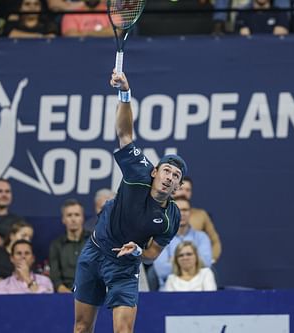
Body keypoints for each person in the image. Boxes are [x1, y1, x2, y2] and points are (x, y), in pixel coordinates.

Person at [73, 70, 187, 333]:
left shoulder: (172, 217)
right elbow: (125, 133)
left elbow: (151, 255)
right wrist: (125, 92)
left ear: (178, 187)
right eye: (167, 170)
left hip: (124, 267)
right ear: (155, 172)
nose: (169, 177)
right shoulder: (139, 171)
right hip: (95, 251)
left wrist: (138, 252)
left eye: (176, 176)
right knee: (81, 327)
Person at [153, 196, 212, 290]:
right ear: (171, 213)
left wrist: (173, 260)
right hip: (169, 292)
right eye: (178, 210)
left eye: (185, 210)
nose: (182, 213)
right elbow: (161, 270)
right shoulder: (161, 237)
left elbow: (206, 264)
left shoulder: (202, 237)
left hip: (199, 290)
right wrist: (193, 261)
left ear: (190, 213)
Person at [173, 176, 221, 264]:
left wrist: (210, 260)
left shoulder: (201, 215)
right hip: (168, 261)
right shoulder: (161, 213)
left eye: (188, 190)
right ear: (173, 190)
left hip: (198, 263)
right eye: (181, 189)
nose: (184, 193)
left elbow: (215, 241)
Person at [49, 199, 91, 293]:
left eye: (77, 215)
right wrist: (65, 292)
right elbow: (55, 276)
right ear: (63, 219)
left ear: (82, 218)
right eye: (69, 215)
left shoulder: (94, 241)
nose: (73, 219)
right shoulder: (56, 245)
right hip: (64, 295)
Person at [0, 220, 34, 293]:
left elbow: (30, 274)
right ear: (12, 236)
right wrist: (16, 275)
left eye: (30, 237)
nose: (27, 240)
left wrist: (3, 276)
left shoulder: (27, 255)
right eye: (24, 236)